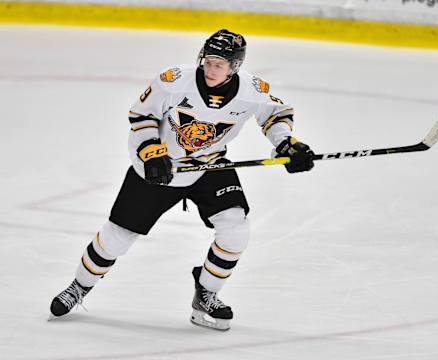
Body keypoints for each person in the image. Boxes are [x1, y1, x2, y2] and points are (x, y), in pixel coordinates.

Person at [49, 29, 315, 331]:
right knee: (116, 238)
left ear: (235, 67)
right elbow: (141, 116)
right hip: (159, 169)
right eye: (208, 61)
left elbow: (275, 114)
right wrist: (151, 152)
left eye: (220, 64)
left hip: (210, 166)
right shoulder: (173, 81)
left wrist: (286, 144)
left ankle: (206, 293)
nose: (211, 69)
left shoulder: (253, 90)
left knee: (236, 228)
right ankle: (79, 286)